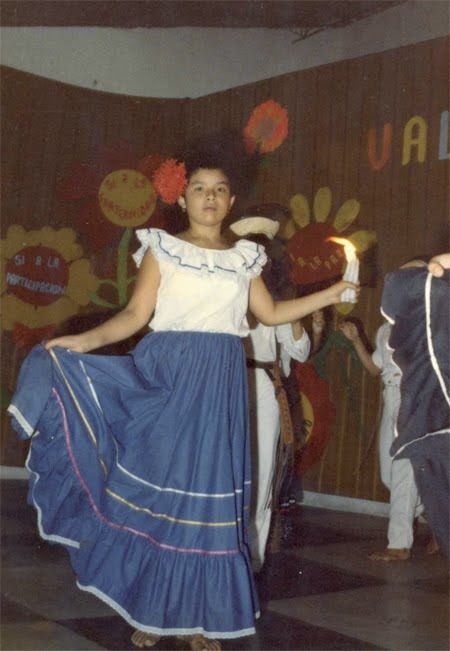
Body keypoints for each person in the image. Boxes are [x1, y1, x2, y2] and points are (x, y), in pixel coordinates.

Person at [8, 137, 359, 650]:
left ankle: (198, 619)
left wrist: (330, 292)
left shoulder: (245, 258)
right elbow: (133, 317)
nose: (210, 198)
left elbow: (272, 314)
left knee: (209, 502)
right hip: (166, 380)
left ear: (231, 201)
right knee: (160, 491)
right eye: (200, 189)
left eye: (220, 190)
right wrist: (79, 341)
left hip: (219, 386)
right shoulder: (163, 249)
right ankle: (152, 612)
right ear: (183, 198)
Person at [381, 253, 449, 558]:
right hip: (403, 398)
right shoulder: (392, 327)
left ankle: (400, 544)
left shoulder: (439, 323)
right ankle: (434, 523)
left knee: (413, 467)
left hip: (429, 404)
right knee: (398, 472)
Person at [339, 319, 424, 561]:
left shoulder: (423, 322)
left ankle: (399, 545)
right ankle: (440, 515)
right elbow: (374, 369)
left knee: (403, 474)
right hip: (390, 398)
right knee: (390, 476)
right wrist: (356, 340)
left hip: (412, 397)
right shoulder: (384, 329)